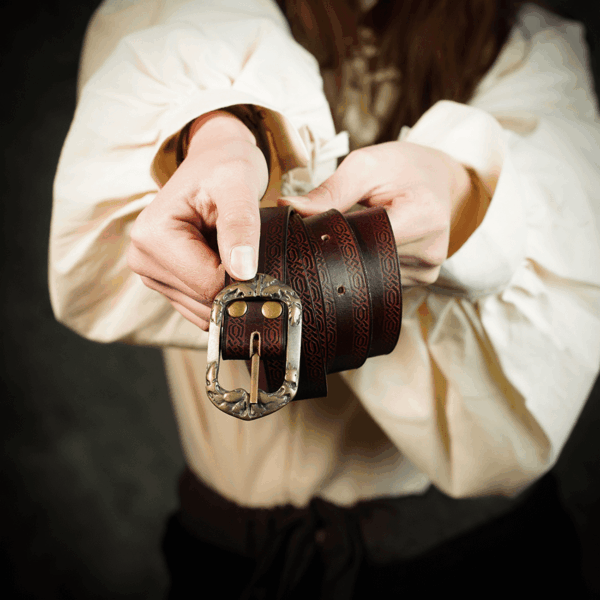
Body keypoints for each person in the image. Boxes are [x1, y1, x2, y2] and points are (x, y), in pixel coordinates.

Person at [49, 0, 600, 597]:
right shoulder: (171, 12)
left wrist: (463, 186)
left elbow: (559, 215)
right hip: (231, 562)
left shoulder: (528, 46)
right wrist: (215, 131)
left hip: (474, 562)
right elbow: (171, 48)